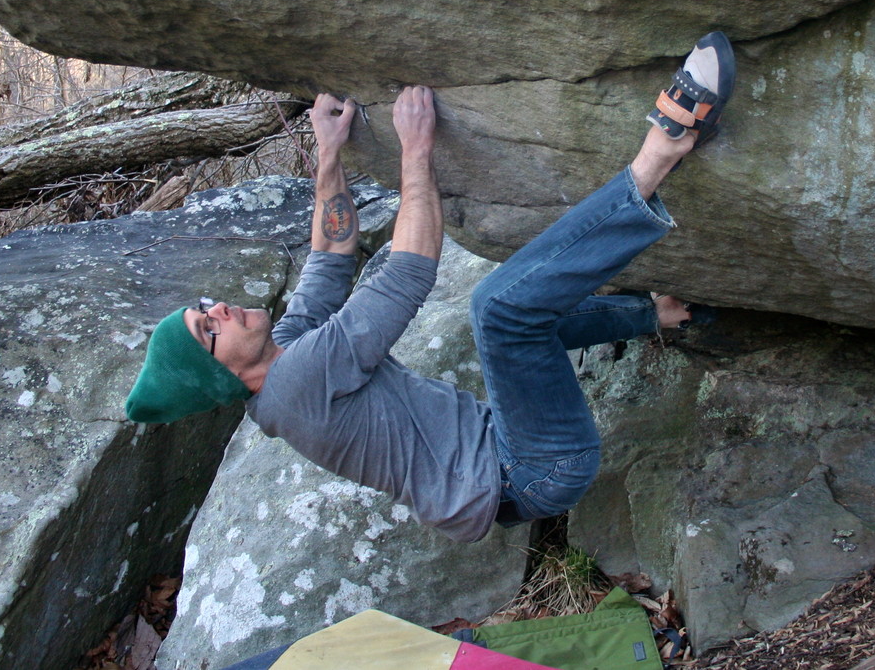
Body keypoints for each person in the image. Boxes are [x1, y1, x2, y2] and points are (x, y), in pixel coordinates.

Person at [124, 32, 736, 543]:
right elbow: (409, 272)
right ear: (223, 377)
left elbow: (329, 258)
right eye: (209, 330)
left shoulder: (282, 356)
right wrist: (416, 150)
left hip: (512, 451)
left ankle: (660, 314)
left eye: (203, 308)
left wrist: (329, 154)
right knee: (498, 311)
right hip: (532, 469)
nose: (219, 309)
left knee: (520, 323)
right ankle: (660, 153)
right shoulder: (296, 384)